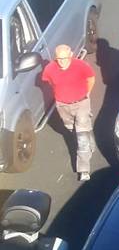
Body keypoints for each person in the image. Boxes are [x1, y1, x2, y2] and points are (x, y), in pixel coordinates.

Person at [39, 45, 96, 181]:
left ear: (71, 54)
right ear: (55, 57)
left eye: (65, 58)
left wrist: (86, 93)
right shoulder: (49, 69)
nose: (62, 61)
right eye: (59, 59)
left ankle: (84, 170)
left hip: (81, 103)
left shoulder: (81, 65)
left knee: (81, 138)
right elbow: (50, 83)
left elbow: (91, 78)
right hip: (63, 106)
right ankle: (90, 138)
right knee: (72, 129)